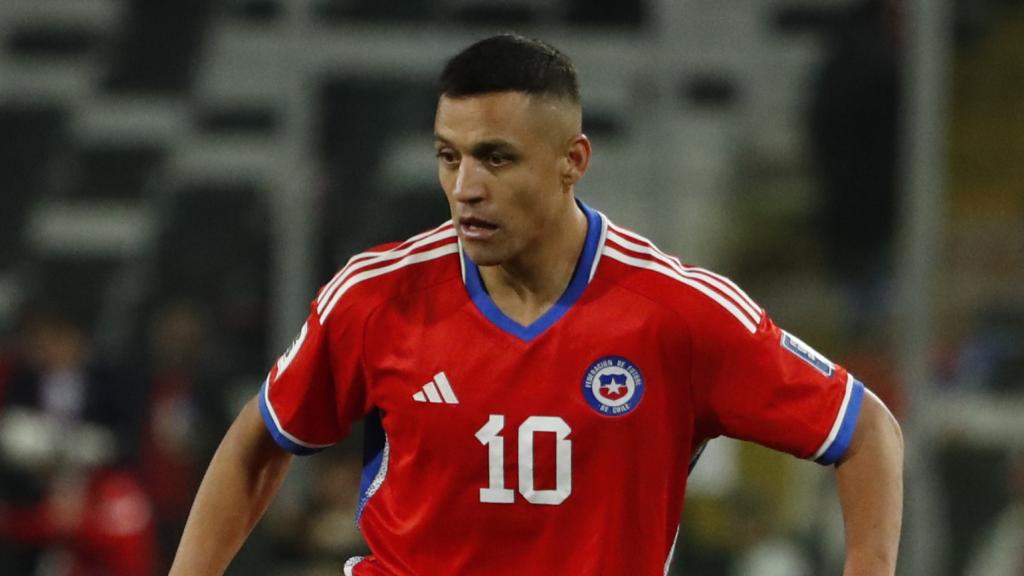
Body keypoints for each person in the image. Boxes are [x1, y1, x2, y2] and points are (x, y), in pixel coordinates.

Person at [170, 34, 904, 575]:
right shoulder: (376, 296)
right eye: (447, 155)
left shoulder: (676, 315)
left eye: (496, 157)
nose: (465, 188)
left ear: (572, 162)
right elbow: (259, 441)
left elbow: (866, 430)